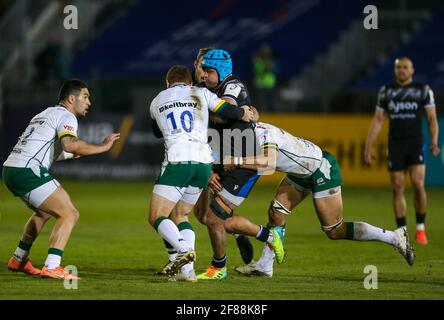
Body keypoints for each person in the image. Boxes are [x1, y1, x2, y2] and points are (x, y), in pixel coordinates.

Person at [228, 122, 415, 277]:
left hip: (320, 168)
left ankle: (394, 237)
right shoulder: (250, 133)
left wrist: (234, 164)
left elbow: (267, 162)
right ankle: (264, 266)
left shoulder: (264, 135)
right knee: (275, 213)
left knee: (334, 230)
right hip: (299, 172)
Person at [3, 79, 120, 280]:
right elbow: (70, 145)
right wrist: (104, 147)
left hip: (11, 168)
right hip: (27, 170)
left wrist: (72, 152)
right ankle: (52, 266)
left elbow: (49, 148)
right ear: (70, 98)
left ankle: (19, 258)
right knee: (69, 213)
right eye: (85, 96)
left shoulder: (45, 113)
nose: (88, 102)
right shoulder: (67, 116)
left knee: (43, 213)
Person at [148, 65, 256, 281]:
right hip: (204, 164)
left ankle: (181, 250)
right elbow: (228, 111)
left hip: (178, 160)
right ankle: (186, 272)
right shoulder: (202, 92)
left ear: (167, 83)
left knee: (156, 216)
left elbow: (157, 132)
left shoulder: (157, 100)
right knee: (181, 215)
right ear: (190, 83)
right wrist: (244, 112)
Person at [190, 49, 276, 280]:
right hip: (219, 160)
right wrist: (236, 113)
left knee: (214, 218)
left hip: (242, 163)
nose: (203, 74)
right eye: (201, 68)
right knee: (202, 214)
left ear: (222, 70)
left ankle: (220, 268)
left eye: (208, 70)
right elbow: (226, 114)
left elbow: (225, 114)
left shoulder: (232, 86)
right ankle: (249, 236)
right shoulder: (204, 88)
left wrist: (230, 113)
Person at [364, 57, 440, 245]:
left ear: (412, 71)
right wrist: (369, 145)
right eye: (398, 67)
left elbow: (431, 118)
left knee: (417, 183)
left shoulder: (423, 90)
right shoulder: (386, 91)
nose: (402, 70)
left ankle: (420, 228)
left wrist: (434, 141)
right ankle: (402, 231)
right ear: (395, 70)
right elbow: (378, 120)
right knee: (397, 187)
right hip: (395, 144)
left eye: (405, 67)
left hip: (415, 143)